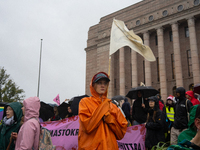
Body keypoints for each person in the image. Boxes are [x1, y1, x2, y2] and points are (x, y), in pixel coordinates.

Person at [78, 72, 128, 150]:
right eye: (99, 83)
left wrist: (110, 120)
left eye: (105, 83)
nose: (102, 85)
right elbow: (87, 127)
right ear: (93, 85)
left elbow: (121, 133)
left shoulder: (113, 106)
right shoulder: (85, 102)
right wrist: (102, 109)